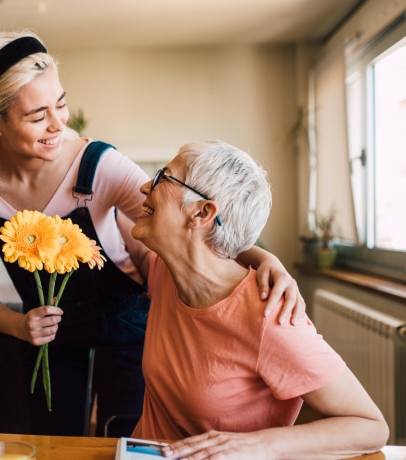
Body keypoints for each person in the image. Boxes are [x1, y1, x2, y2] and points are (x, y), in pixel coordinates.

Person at [0, 30, 305, 436]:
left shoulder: (99, 165)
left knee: (126, 439)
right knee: (53, 445)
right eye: (37, 116)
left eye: (60, 105)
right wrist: (18, 326)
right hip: (49, 346)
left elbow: (188, 228)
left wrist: (264, 258)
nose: (57, 124)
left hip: (130, 332)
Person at [130, 140, 389, 458]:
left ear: (202, 212)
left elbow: (371, 426)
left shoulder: (270, 315)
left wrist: (259, 444)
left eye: (161, 177)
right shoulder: (166, 269)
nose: (145, 185)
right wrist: (264, 256)